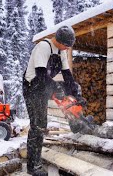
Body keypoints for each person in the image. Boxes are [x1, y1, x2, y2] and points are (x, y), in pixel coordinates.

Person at [23, 26, 83, 176]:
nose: (67, 49)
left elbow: (67, 75)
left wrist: (75, 96)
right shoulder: (44, 47)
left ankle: (76, 121)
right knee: (38, 125)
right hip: (33, 87)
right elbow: (41, 74)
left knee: (72, 90)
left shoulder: (61, 51)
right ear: (59, 40)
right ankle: (33, 166)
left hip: (44, 85)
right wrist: (56, 88)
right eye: (66, 45)